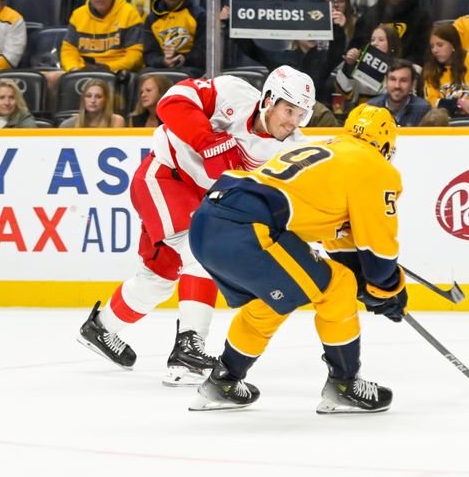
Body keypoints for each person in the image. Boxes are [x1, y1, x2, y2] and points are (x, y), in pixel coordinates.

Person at [76, 65, 315, 387]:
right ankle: (189, 349)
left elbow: (291, 201)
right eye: (289, 110)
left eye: (301, 115)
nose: (293, 122)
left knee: (158, 279)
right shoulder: (232, 91)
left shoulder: (289, 150)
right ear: (268, 100)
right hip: (164, 175)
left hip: (200, 200)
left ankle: (101, 328)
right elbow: (170, 103)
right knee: (203, 253)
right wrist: (209, 140)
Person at [187, 104, 404, 413]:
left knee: (273, 300)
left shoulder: (325, 148)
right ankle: (344, 385)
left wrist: (373, 284)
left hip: (210, 220)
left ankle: (223, 380)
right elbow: (379, 250)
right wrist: (387, 288)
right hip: (249, 229)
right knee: (337, 287)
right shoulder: (375, 167)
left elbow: (339, 241)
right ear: (385, 144)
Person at [61, 0, 144, 73]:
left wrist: (107, 68)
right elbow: (68, 51)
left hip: (118, 73)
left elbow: (135, 55)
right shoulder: (78, 15)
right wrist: (73, 69)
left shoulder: (130, 13)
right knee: (52, 77)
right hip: (82, 71)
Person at [423, 23, 469, 117]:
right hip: (446, 124)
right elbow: (431, 102)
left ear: (453, 44)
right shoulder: (431, 70)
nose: (435, 50)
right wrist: (459, 103)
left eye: (440, 45)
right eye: (432, 46)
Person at [350, 0, 433, 66]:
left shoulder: (422, 18)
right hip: (371, 74)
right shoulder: (367, 17)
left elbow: (422, 54)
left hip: (407, 75)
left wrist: (398, 68)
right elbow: (358, 48)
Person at [336, 24, 403, 111]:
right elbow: (345, 93)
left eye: (381, 40)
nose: (374, 43)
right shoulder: (359, 65)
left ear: (392, 45)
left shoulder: (403, 70)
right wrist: (349, 65)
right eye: (372, 40)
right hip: (361, 117)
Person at [143, 0, 206, 77]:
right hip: (161, 67)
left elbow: (203, 53)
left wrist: (183, 58)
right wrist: (163, 61)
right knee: (144, 75)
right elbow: (149, 55)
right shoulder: (151, 19)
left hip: (190, 68)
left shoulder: (199, 15)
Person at [367, 58, 431, 126]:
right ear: (386, 81)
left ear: (412, 84)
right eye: (393, 79)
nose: (397, 86)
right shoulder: (371, 108)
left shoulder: (424, 110)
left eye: (403, 80)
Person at [60, 79, 126, 128]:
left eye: (98, 96)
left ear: (106, 100)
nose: (93, 100)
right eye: (88, 96)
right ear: (83, 99)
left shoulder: (116, 121)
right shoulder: (68, 125)